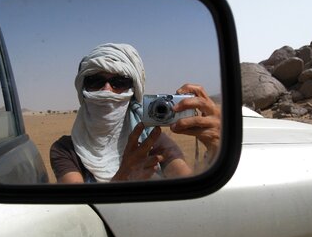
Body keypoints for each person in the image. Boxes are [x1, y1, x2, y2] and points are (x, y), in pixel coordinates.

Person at [50, 43, 220, 183]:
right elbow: (81, 209)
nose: (107, 89)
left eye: (119, 82)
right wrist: (124, 176)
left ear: (133, 90)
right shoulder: (66, 150)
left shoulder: (152, 139)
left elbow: (188, 186)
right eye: (95, 81)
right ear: (83, 88)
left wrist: (215, 148)